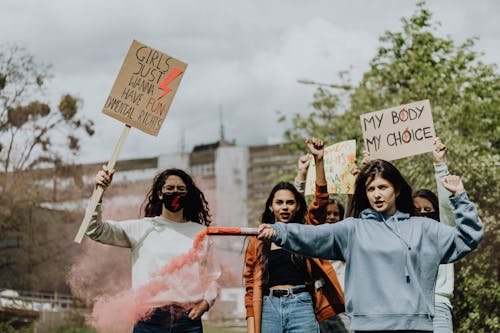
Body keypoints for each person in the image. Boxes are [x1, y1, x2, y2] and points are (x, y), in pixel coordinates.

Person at [258, 158, 483, 333]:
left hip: (416, 326)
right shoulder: (353, 229)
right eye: (370, 188)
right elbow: (312, 235)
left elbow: (468, 237)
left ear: (396, 190)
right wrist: (278, 231)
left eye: (382, 187)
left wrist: (460, 197)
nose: (376, 194)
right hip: (369, 327)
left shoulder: (423, 228)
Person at [86, 167, 220, 333]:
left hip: (188, 321)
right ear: (160, 194)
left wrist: (206, 303)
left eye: (181, 189)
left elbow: (213, 277)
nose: (175, 193)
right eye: (169, 189)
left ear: (188, 194)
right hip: (149, 320)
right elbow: (94, 230)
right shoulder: (142, 228)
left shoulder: (201, 233)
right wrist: (98, 191)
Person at [244, 138, 345, 333]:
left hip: (301, 304)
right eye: (279, 202)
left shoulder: (304, 231)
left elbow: (321, 203)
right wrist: (251, 327)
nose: (284, 207)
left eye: (289, 203)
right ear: (270, 207)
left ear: (297, 206)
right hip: (268, 306)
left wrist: (319, 160)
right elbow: (250, 287)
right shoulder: (258, 239)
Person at [293, 153, 351, 333]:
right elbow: (296, 215)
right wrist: (301, 175)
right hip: (322, 308)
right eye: (328, 213)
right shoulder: (313, 240)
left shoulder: (345, 240)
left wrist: (353, 189)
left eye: (336, 214)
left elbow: (352, 214)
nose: (332, 217)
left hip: (347, 308)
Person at [413, 138, 455, 333]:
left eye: (428, 209)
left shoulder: (444, 232)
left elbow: (447, 206)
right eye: (417, 210)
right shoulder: (402, 235)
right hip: (408, 308)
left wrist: (440, 165)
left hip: (438, 305)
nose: (423, 213)